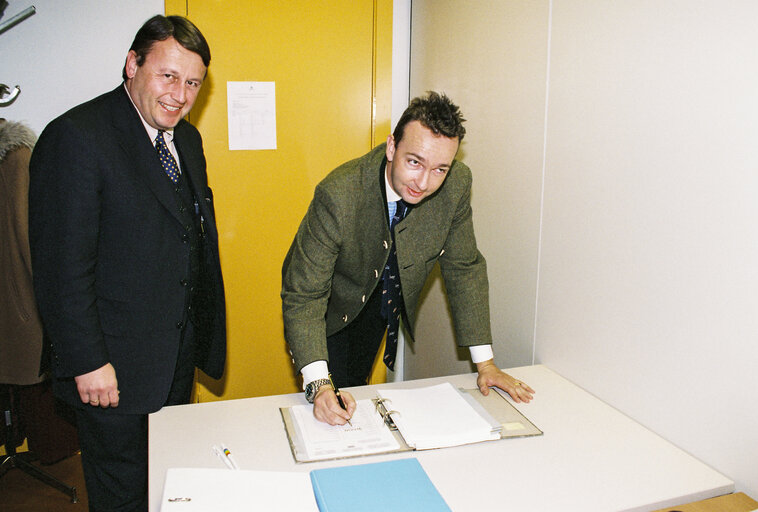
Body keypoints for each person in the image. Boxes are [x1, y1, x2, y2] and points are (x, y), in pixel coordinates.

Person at [29, 15, 226, 511]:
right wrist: (88, 361)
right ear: (132, 64)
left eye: (193, 83)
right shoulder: (77, 136)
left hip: (174, 359)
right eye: (168, 76)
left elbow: (189, 235)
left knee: (168, 484)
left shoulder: (187, 140)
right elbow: (61, 269)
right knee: (122, 493)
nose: (181, 95)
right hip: (111, 368)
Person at [282, 92, 534, 426]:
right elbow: (305, 295)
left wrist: (485, 364)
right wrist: (319, 382)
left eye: (440, 168)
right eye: (414, 162)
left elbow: (464, 268)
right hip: (328, 306)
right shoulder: (339, 193)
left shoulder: (456, 185)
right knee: (327, 399)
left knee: (354, 398)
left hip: (378, 304)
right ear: (391, 147)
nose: (424, 182)